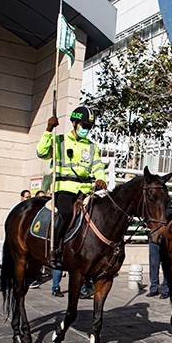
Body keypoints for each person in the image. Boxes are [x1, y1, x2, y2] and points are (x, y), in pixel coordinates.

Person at [36, 102, 107, 269]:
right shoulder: (58, 140)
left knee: (99, 214)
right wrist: (48, 130)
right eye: (84, 125)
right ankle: (56, 249)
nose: (87, 129)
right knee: (67, 213)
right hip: (65, 190)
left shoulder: (91, 147)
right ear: (75, 123)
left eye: (89, 126)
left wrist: (101, 178)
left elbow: (97, 166)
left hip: (85, 191)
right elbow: (41, 153)